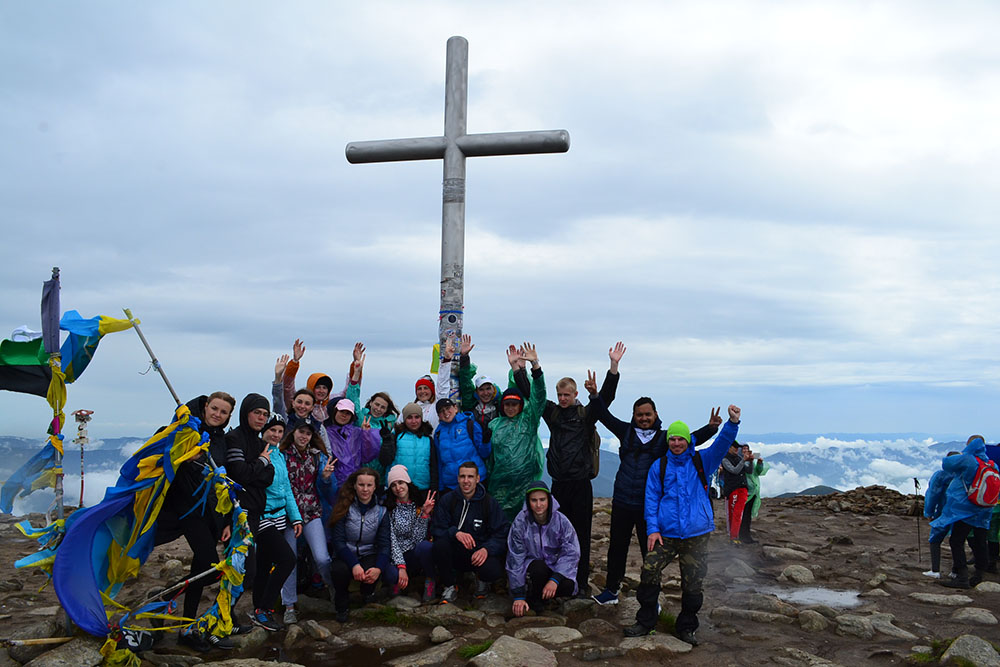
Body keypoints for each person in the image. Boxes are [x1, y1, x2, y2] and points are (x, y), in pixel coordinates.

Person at [624, 405, 742, 645]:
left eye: (681, 439)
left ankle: (687, 626)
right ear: (668, 441)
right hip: (666, 533)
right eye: (673, 439)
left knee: (693, 582)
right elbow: (652, 499)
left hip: (696, 534)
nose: (676, 443)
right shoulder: (660, 465)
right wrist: (653, 529)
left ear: (688, 441)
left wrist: (732, 423)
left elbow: (721, 444)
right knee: (649, 570)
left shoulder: (702, 461)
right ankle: (646, 621)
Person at [590, 393, 721, 605]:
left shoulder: (663, 437)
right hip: (622, 500)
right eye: (639, 414)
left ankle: (652, 598)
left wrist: (711, 428)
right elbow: (605, 417)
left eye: (647, 414)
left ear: (655, 414)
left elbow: (687, 438)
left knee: (649, 552)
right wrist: (596, 395)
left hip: (648, 505)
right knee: (617, 547)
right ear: (633, 415)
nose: (643, 418)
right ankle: (611, 590)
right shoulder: (626, 432)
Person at [155, 392, 236, 652]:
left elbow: (222, 484)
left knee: (201, 572)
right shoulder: (189, 431)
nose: (218, 414)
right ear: (205, 407)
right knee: (210, 567)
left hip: (211, 513)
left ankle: (183, 625)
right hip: (187, 509)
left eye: (224, 412)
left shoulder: (220, 441)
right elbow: (161, 442)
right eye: (214, 409)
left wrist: (225, 521)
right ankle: (164, 603)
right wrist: (182, 456)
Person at [543, 341, 624, 596]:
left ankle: (579, 582)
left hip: (580, 484)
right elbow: (531, 395)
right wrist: (529, 367)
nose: (563, 399)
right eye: (560, 395)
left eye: (567, 395)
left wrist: (613, 368)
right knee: (556, 534)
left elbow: (605, 401)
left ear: (575, 394)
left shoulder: (585, 415)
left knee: (580, 535)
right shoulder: (553, 415)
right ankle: (558, 579)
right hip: (558, 484)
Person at [225, 394, 293, 633]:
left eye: (265, 414)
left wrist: (258, 469)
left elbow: (266, 479)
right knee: (254, 567)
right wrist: (260, 466)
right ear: (247, 413)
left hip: (262, 514)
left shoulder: (262, 447)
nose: (262, 418)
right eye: (259, 414)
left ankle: (258, 611)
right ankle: (247, 612)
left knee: (266, 564)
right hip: (248, 514)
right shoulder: (237, 439)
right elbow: (240, 474)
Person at [277, 421, 339, 625]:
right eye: (300, 432)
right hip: (287, 515)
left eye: (308, 434)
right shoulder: (282, 455)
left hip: (312, 512)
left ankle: (333, 588)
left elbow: (329, 491)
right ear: (293, 433)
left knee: (322, 557)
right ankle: (289, 606)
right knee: (289, 559)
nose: (304, 436)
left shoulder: (318, 456)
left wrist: (326, 478)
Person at [430, 461, 510, 603]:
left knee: (493, 569)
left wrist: (486, 549)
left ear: (477, 479)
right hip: (455, 551)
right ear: (458, 478)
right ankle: (450, 585)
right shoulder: (448, 500)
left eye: (470, 477)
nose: (466, 481)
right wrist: (455, 533)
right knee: (439, 546)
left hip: (478, 552)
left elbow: (501, 533)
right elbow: (437, 528)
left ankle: (481, 579)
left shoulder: (489, 503)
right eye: (462, 477)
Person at [487, 342, 546, 521]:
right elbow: (490, 457)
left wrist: (535, 367)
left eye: (515, 404)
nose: (511, 407)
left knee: (525, 527)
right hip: (498, 486)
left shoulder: (528, 421)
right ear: (502, 405)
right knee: (499, 527)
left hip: (524, 485)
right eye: (507, 404)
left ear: (521, 405)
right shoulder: (494, 425)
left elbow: (539, 396)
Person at [506, 481, 580, 616]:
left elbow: (571, 551)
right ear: (528, 502)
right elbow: (515, 557)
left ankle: (545, 595)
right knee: (538, 568)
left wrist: (555, 579)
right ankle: (533, 598)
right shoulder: (520, 522)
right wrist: (518, 595)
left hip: (554, 567)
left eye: (542, 500)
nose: (538, 505)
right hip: (532, 569)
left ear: (549, 500)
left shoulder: (561, 521)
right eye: (534, 500)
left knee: (568, 586)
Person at [329, 467, 392, 622]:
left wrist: (378, 568)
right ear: (355, 486)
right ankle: (341, 605)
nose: (365, 489)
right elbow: (338, 541)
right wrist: (354, 564)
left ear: (375, 486)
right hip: (346, 553)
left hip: (369, 552)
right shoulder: (344, 507)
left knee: (375, 568)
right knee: (339, 570)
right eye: (361, 485)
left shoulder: (381, 511)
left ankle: (367, 593)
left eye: (369, 485)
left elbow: (385, 544)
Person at [934, 435, 995, 589]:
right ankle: (979, 574)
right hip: (985, 510)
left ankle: (962, 577)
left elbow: (946, 464)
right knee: (981, 541)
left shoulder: (968, 460)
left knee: (956, 541)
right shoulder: (991, 464)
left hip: (967, 509)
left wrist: (964, 453)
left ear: (969, 445)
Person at [382, 465, 437, 601]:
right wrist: (401, 566)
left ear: (407, 483)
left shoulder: (418, 505)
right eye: (393, 485)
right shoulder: (389, 509)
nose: (398, 488)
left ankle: (430, 580)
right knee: (391, 574)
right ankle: (396, 582)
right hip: (395, 555)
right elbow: (391, 539)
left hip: (413, 553)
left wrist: (424, 515)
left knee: (425, 547)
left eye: (400, 482)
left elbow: (419, 539)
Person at [280, 339, 362, 424]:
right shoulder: (301, 402)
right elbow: (287, 388)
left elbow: (351, 391)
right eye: (317, 387)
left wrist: (356, 369)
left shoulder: (333, 402)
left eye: (324, 388)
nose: (321, 391)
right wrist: (294, 362)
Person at [457, 334, 530, 429]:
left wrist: (518, 369)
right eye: (481, 390)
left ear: (494, 389)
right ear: (477, 392)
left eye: (488, 388)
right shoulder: (471, 405)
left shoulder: (501, 406)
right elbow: (465, 382)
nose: (485, 393)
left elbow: (517, 390)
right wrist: (464, 357)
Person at [430, 398, 490, 492]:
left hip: (475, 481)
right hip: (451, 484)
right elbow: (440, 462)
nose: (446, 413)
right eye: (442, 411)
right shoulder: (438, 433)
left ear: (455, 408)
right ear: (439, 416)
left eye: (448, 408)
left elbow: (484, 454)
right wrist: (440, 487)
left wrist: (486, 442)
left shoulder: (469, 424)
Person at [923, 451, 960, 578]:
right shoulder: (965, 474)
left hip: (944, 512)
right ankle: (955, 571)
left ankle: (935, 570)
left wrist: (929, 512)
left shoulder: (941, 475)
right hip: (962, 513)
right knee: (957, 541)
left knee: (935, 539)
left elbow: (932, 494)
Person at [382, 403, 434, 490]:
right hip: (400, 488)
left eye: (417, 417)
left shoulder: (428, 439)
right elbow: (385, 461)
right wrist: (386, 442)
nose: (414, 421)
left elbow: (433, 466)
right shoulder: (396, 436)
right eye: (409, 417)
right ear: (404, 419)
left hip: (422, 488)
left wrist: (434, 488)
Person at [720, 441, 752, 545]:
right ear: (729, 448)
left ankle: (736, 536)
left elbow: (749, 471)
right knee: (732, 513)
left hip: (742, 488)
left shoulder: (738, 458)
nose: (736, 449)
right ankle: (732, 536)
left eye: (736, 448)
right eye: (734, 447)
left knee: (739, 513)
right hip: (732, 489)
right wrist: (744, 460)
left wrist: (750, 461)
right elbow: (734, 470)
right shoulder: (725, 459)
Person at [738, 446, 769, 544]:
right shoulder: (738, 461)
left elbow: (758, 472)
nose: (746, 451)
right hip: (743, 491)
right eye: (743, 449)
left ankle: (746, 535)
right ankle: (740, 535)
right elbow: (746, 471)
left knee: (747, 516)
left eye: (747, 449)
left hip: (753, 492)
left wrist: (759, 463)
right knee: (742, 515)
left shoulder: (751, 461)